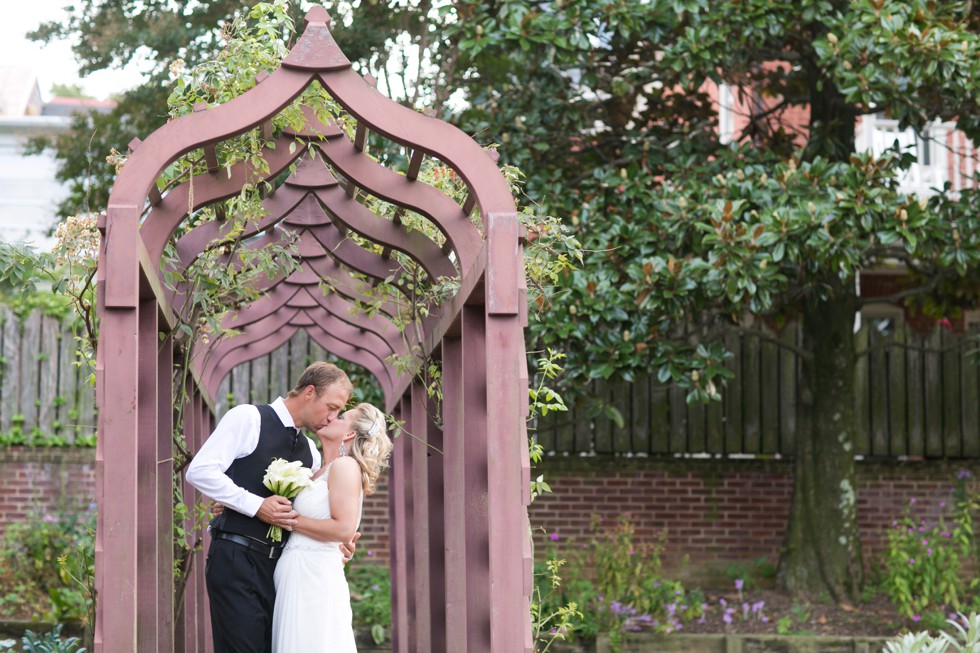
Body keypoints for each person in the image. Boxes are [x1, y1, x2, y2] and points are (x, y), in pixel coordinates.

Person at [186, 361, 355, 653]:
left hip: (282, 571)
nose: (332, 417)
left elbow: (318, 507)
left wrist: (340, 542)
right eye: (331, 406)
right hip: (236, 558)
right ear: (309, 392)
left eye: (339, 412)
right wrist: (253, 504)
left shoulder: (311, 452)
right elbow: (200, 470)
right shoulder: (249, 418)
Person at [271, 402, 393, 653]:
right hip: (295, 574)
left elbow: (344, 529)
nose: (330, 418)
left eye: (341, 417)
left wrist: (284, 518)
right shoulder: (316, 471)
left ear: (349, 434)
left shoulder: (345, 466)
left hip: (315, 577)